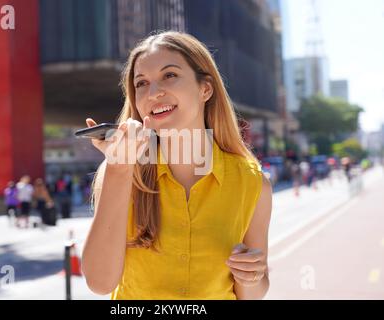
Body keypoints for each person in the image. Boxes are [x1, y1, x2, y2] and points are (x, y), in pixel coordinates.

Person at [81, 31, 272, 300]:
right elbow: (100, 283)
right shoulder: (119, 171)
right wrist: (118, 170)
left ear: (205, 88)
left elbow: (252, 293)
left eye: (169, 75)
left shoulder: (253, 183)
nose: (154, 93)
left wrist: (251, 276)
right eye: (142, 83)